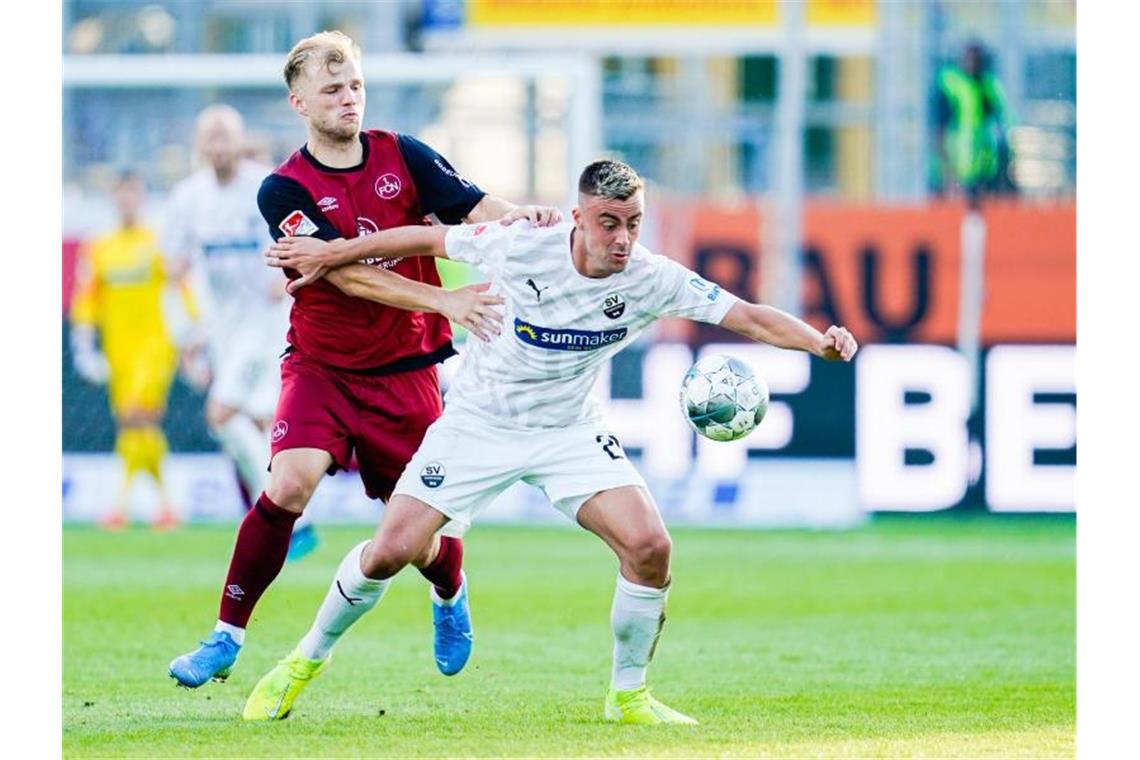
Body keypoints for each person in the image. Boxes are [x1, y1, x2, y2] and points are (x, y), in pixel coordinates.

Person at [245, 159, 858, 724]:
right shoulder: (521, 245)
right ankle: (300, 663)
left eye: (633, 224)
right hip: (479, 423)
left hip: (569, 431)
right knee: (390, 551)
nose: (622, 239)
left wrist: (817, 342)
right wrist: (337, 252)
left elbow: (746, 314)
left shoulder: (650, 277)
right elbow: (426, 238)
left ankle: (629, 695)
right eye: (608, 223)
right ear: (578, 218)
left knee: (650, 547)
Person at [168, 30, 561, 689]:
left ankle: (450, 594)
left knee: (413, 535)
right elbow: (346, 277)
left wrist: (527, 218)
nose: (348, 99)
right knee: (288, 484)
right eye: (332, 89)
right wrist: (445, 301)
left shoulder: (403, 155)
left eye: (354, 86)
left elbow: (474, 206)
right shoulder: (282, 190)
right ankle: (225, 637)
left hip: (406, 374)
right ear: (299, 102)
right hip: (321, 368)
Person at [161, 104, 322, 561]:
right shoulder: (187, 198)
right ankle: (292, 520)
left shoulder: (264, 187)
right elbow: (175, 272)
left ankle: (288, 517)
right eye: (208, 137)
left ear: (238, 139)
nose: (217, 146)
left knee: (222, 413)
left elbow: (305, 240)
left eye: (224, 136)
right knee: (253, 423)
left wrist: (288, 272)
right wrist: (187, 336)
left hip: (268, 320)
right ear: (197, 144)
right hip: (223, 327)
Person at [70, 171, 190, 530]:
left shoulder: (158, 242)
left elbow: (180, 288)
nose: (127, 202)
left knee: (138, 417)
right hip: (118, 350)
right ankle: (167, 506)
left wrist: (193, 335)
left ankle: (119, 505)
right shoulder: (100, 247)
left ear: (142, 199)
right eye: (121, 195)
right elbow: (87, 299)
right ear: (113, 200)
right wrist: (83, 346)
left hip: (155, 346)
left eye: (133, 195)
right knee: (134, 425)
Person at [931, 41, 1015, 204]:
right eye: (970, 59)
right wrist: (948, 170)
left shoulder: (989, 84)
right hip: (958, 162)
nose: (974, 64)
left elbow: (1001, 120)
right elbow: (939, 128)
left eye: (977, 59)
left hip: (985, 163)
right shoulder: (951, 85)